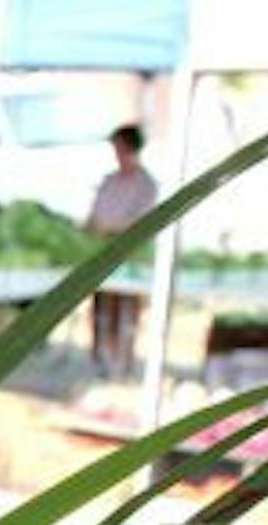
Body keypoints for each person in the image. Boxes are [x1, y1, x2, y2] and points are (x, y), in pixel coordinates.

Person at [85, 124, 157, 376]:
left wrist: (111, 228)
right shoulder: (108, 181)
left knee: (125, 310)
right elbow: (93, 216)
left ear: (130, 148)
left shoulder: (146, 184)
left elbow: (143, 221)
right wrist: (91, 228)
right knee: (100, 309)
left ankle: (122, 362)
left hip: (129, 255)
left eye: (119, 147)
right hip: (101, 252)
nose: (116, 152)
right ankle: (101, 360)